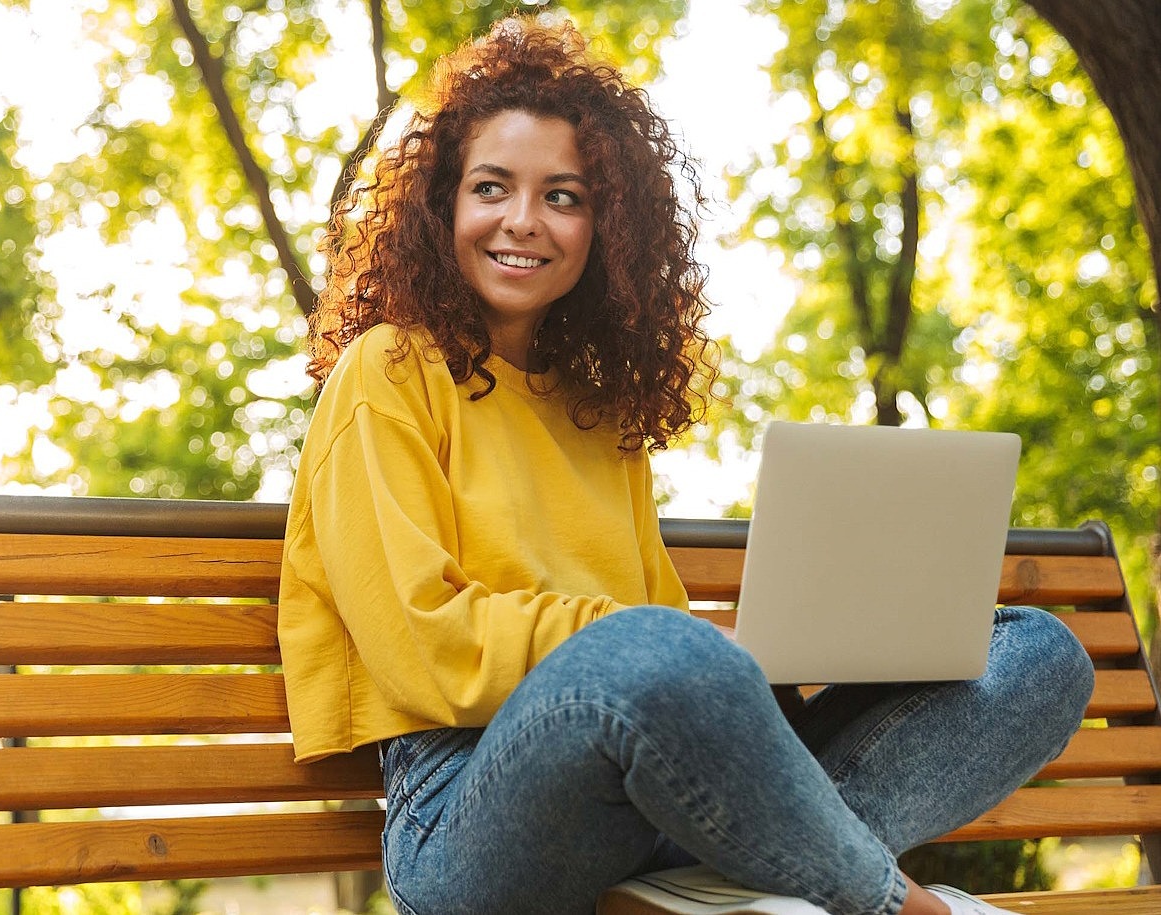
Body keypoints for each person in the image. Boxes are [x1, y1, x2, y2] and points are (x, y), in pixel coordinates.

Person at [275, 17, 1095, 915]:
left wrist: (784, 650)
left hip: (661, 800)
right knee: (646, 648)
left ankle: (746, 872)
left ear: (604, 227)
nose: (523, 221)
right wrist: (666, 646)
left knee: (1033, 652)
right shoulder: (388, 370)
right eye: (490, 188)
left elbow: (658, 642)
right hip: (466, 815)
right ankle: (892, 904)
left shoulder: (596, 410)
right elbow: (416, 644)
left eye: (563, 197)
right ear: (442, 207)